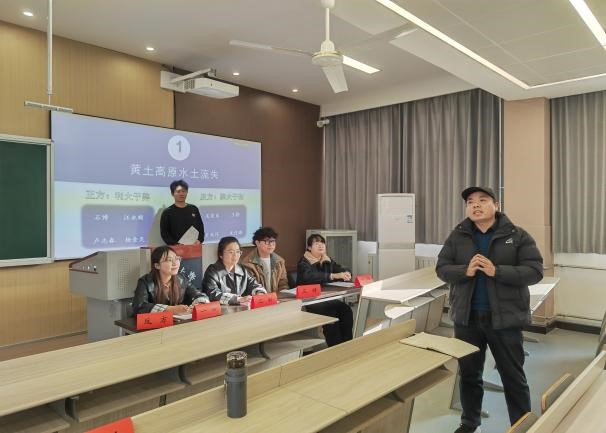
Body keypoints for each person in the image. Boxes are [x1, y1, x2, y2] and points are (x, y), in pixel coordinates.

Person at [436, 186, 543, 433]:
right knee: (469, 374)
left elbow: (535, 271)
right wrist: (465, 270)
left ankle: (521, 426)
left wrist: (498, 271)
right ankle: (469, 423)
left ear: (496, 205)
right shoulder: (457, 236)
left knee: (513, 376)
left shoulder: (517, 235)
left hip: (505, 319)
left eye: (482, 200)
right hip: (467, 319)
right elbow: (442, 268)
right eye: (470, 201)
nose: (475, 205)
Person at [296, 233, 354, 347]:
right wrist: (332, 276)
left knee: (346, 310)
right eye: (316, 243)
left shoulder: (327, 259)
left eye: (322, 243)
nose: (321, 245)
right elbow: (310, 277)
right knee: (331, 314)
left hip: (326, 298)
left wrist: (346, 272)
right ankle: (335, 348)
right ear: (309, 247)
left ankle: (347, 344)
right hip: (311, 300)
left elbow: (339, 268)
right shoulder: (303, 262)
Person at [131, 245, 209, 315]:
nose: (175, 263)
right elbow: (139, 306)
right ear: (157, 265)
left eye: (177, 258)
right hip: (155, 324)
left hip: (178, 323)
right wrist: (170, 309)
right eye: (169, 260)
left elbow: (196, 293)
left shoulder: (181, 279)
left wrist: (200, 303)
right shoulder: (145, 282)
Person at [202, 236, 267, 305]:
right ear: (221, 254)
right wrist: (237, 299)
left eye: (238, 252)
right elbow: (213, 293)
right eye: (231, 252)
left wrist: (259, 293)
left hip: (241, 309)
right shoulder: (213, 271)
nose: (235, 255)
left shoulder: (242, 270)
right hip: (221, 310)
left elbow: (254, 284)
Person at [241, 226, 289, 294]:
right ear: (257, 243)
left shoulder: (280, 261)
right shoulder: (247, 263)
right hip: (259, 298)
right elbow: (251, 287)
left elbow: (283, 283)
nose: (271, 244)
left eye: (273, 241)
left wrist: (283, 295)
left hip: (277, 298)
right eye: (267, 241)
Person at [160, 179, 205, 245]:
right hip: (176, 248)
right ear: (172, 193)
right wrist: (176, 244)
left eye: (184, 191)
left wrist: (199, 240)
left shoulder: (194, 208)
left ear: (187, 192)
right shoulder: (167, 212)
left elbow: (200, 227)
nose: (181, 194)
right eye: (178, 191)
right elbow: (164, 233)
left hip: (194, 246)